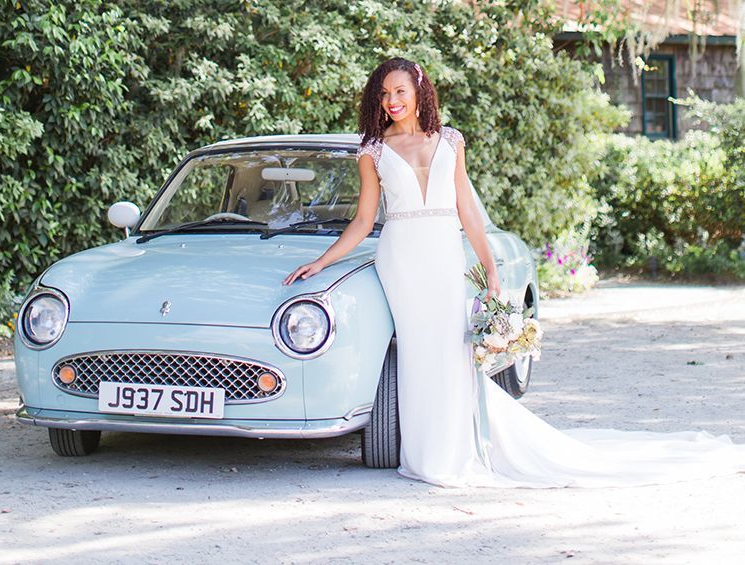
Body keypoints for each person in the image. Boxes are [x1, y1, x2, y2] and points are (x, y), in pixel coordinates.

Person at [283, 57, 745, 488]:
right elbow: (364, 220)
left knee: (452, 351)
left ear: (419, 89)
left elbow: (467, 211)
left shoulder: (451, 141)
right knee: (419, 353)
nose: (391, 101)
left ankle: (458, 450)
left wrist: (490, 272)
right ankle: (427, 456)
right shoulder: (374, 150)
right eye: (383, 94)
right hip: (400, 259)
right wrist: (322, 261)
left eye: (398, 90)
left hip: (446, 258)